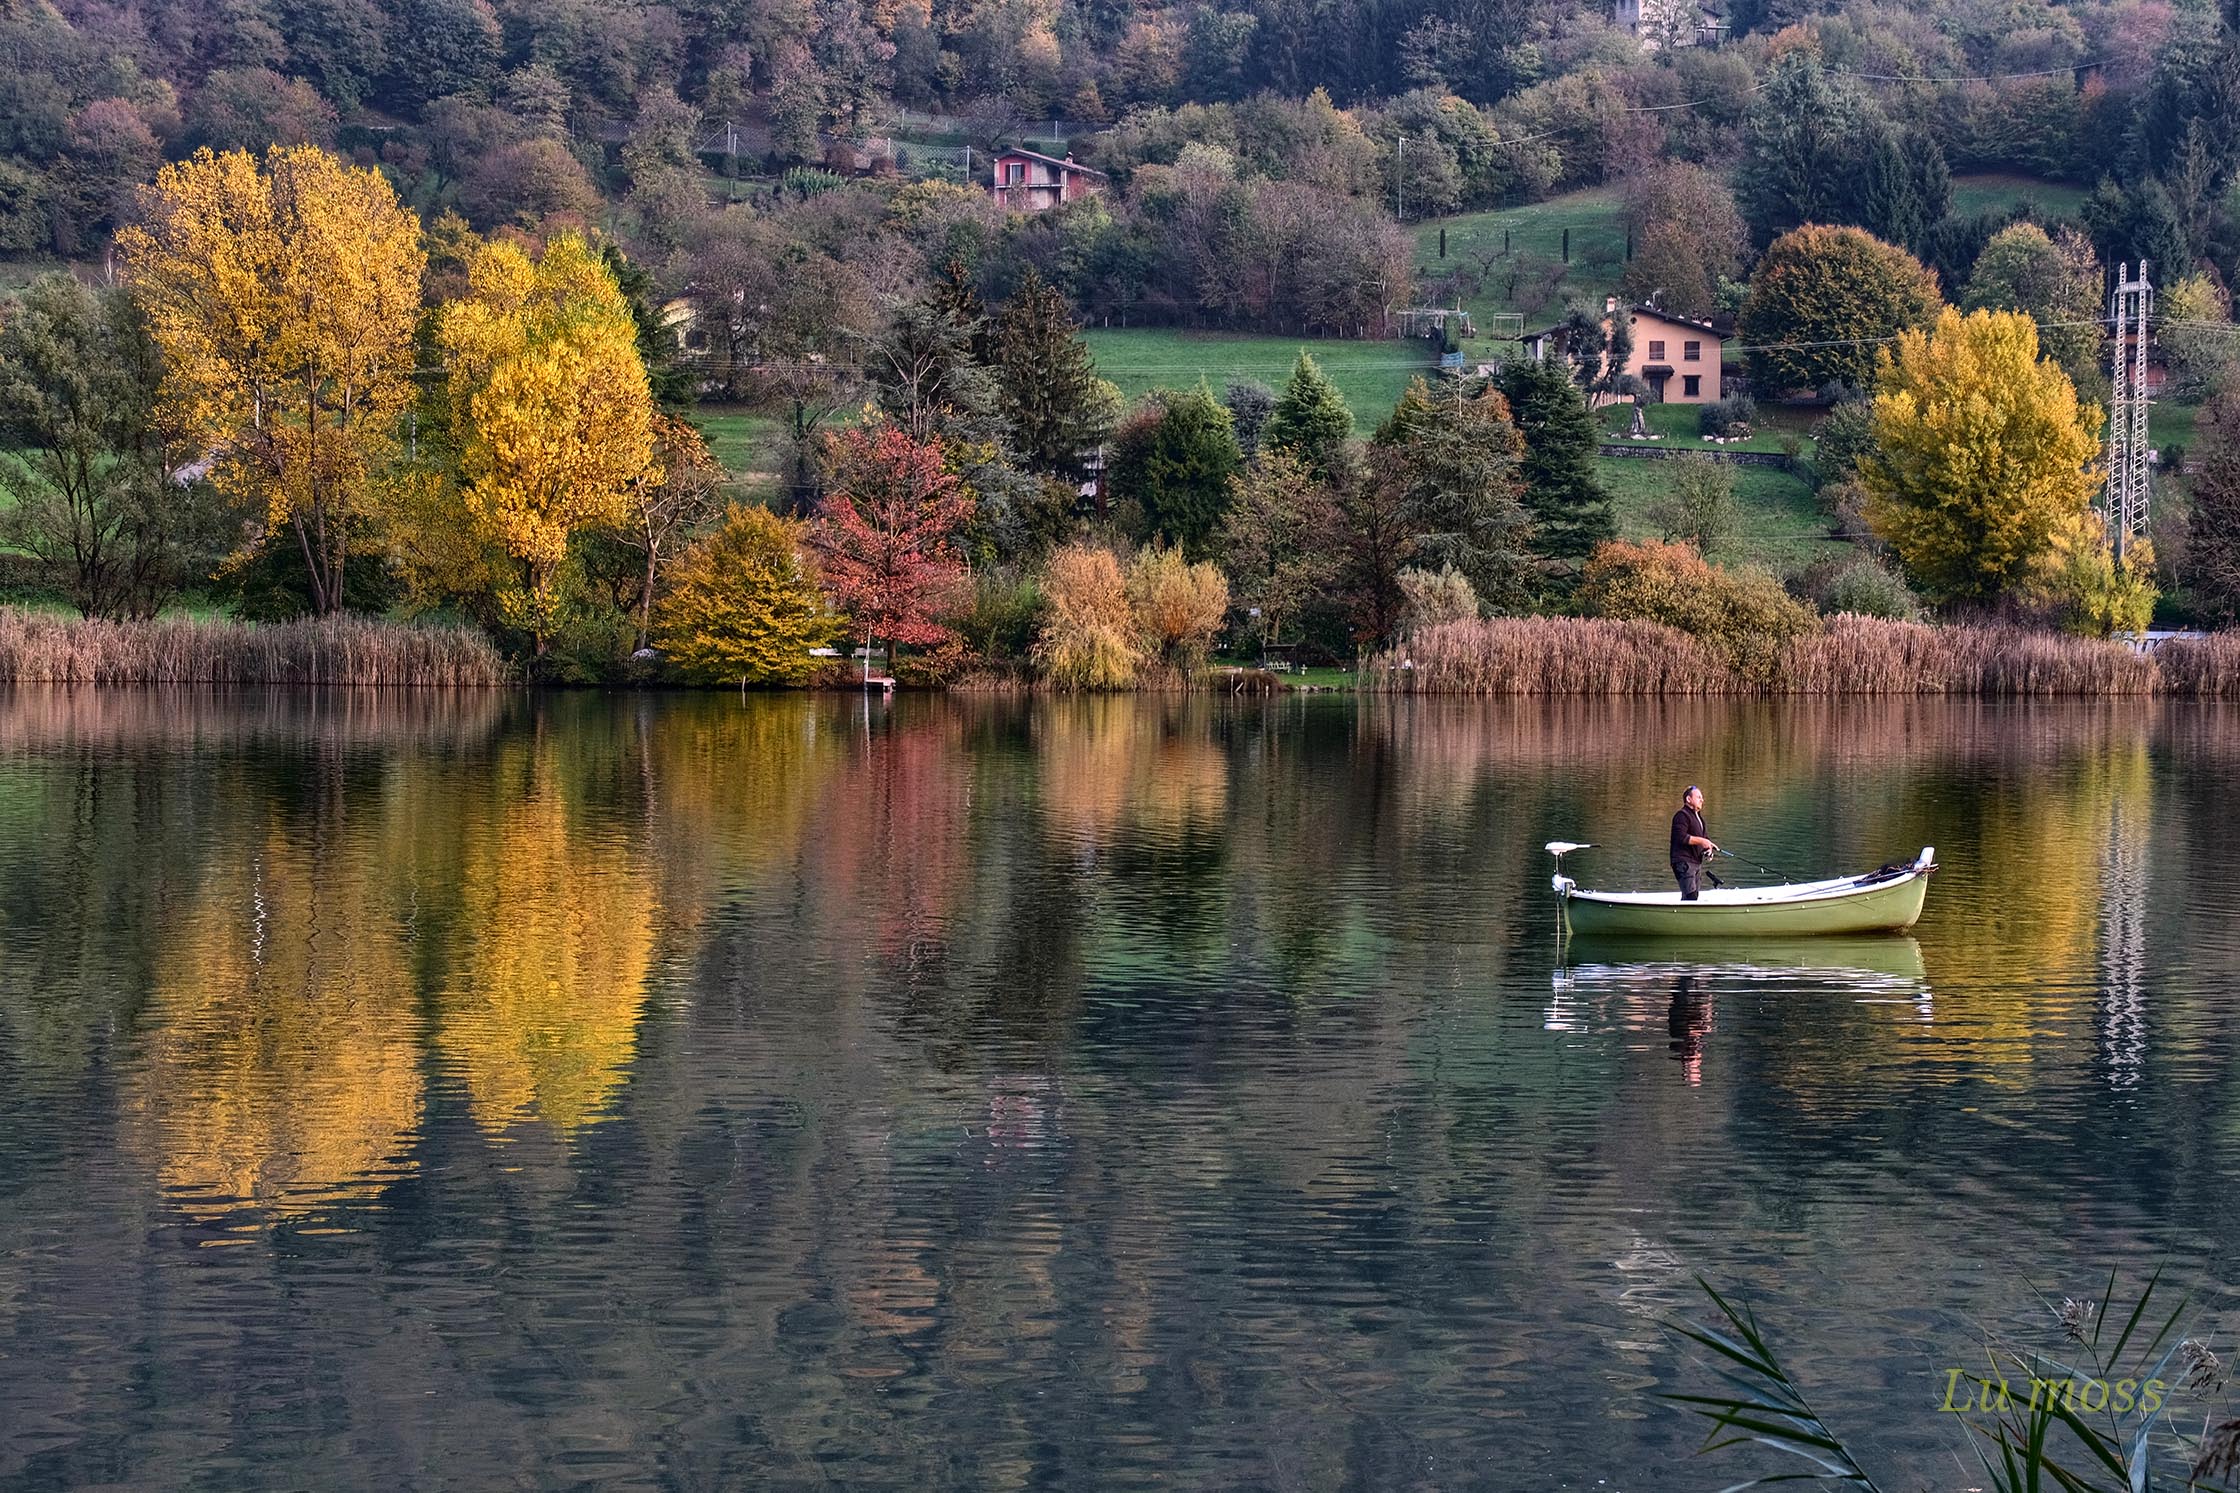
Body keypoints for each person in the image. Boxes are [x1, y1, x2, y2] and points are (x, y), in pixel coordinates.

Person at [1669, 784, 1719, 900]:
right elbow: (1681, 837)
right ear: (1688, 799)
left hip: (1696, 863)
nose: (1702, 799)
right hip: (1683, 863)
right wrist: (1702, 841)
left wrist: (1708, 850)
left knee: (1694, 897)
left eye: (1702, 797)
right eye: (1699, 797)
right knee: (1690, 897)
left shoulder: (1700, 819)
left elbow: (1705, 840)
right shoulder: (1681, 816)